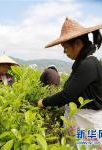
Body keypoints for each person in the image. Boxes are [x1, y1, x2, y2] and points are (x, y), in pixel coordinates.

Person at [37, 17, 102, 148]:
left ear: (77, 43)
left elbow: (67, 95)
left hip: (87, 124)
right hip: (82, 121)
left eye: (66, 47)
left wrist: (44, 102)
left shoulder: (88, 64)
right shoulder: (84, 63)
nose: (64, 52)